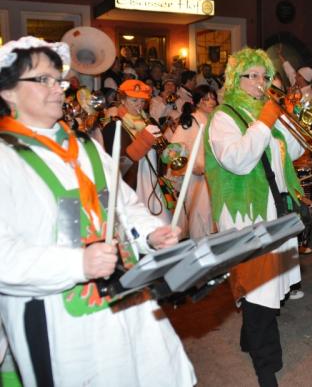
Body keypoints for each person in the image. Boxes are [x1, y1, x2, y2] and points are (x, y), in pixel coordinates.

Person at [0, 36, 195, 386]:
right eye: (43, 80)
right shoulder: (5, 158)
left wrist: (151, 233)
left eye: (58, 79)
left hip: (126, 298)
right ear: (8, 92)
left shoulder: (86, 146)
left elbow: (124, 205)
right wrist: (78, 264)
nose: (58, 89)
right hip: (58, 317)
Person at [204, 47, 304, 387]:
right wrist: (265, 123)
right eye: (254, 76)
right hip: (246, 214)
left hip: (275, 208)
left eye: (265, 76)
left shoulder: (266, 114)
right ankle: (266, 366)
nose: (262, 82)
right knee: (260, 290)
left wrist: (292, 121)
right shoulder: (224, 117)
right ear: (236, 79)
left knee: (267, 282)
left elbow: (293, 153)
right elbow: (237, 160)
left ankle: (249, 339)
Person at [102, 79, 174, 223]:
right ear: (123, 100)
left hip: (153, 186)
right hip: (132, 189)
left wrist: (170, 152)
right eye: (134, 100)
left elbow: (159, 156)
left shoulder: (149, 121)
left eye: (142, 101)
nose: (139, 105)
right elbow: (120, 166)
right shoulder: (114, 125)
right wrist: (145, 141)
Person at [168, 84, 218, 239]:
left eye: (213, 98)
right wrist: (192, 166)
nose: (211, 102)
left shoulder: (215, 120)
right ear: (197, 102)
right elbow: (173, 150)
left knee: (213, 216)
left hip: (214, 175)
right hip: (197, 178)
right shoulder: (190, 121)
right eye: (206, 99)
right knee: (199, 217)